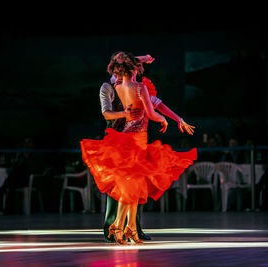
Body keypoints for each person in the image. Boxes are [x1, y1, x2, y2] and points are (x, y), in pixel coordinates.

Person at [80, 51, 197, 244]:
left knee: (135, 187)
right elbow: (111, 113)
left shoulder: (131, 85)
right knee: (122, 189)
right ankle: (116, 227)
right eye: (134, 67)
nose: (138, 71)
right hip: (121, 140)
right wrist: (130, 115)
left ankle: (132, 228)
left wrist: (178, 119)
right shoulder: (112, 85)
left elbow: (158, 104)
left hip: (134, 140)